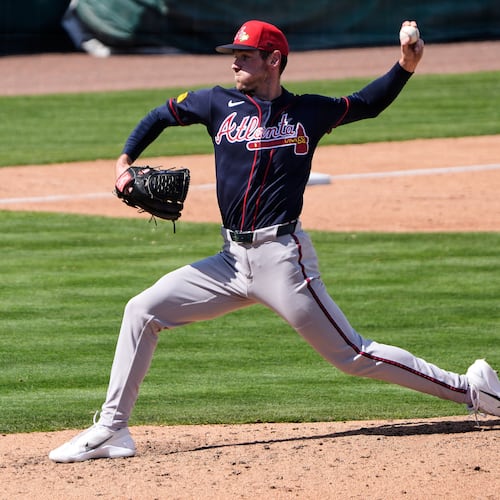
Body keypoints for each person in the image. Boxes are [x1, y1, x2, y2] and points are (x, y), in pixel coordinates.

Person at [49, 20, 500, 463]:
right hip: (229, 262)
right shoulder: (215, 103)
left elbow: (367, 103)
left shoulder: (308, 112)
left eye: (244, 56)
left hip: (284, 261)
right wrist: (125, 159)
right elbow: (161, 115)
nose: (235, 64)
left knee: (353, 355)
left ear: (273, 60)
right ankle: (112, 428)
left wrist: (405, 65)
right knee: (141, 310)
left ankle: (471, 390)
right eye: (234, 55)